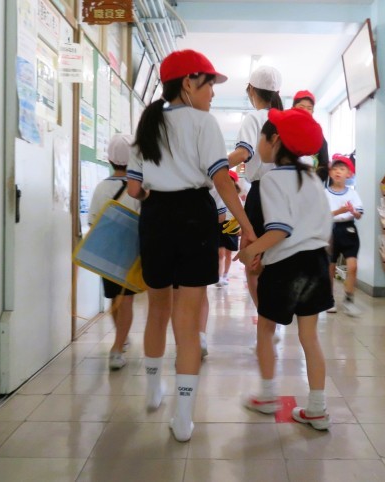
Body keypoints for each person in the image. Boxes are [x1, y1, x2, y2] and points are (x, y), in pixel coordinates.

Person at [126, 49, 255, 442]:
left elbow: (134, 188)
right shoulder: (203, 123)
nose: (213, 93)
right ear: (188, 82)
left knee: (157, 310)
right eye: (209, 84)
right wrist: (247, 226)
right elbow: (221, 180)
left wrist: (154, 197)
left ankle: (153, 390)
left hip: (156, 218)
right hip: (195, 217)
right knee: (187, 321)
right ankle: (183, 418)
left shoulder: (147, 125)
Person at [236, 108, 334, 431]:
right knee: (310, 336)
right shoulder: (314, 178)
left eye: (261, 139)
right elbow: (318, 228)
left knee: (266, 329)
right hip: (316, 264)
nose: (258, 145)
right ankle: (317, 409)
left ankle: (267, 396)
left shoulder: (271, 179)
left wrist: (252, 251)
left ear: (274, 140)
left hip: (286, 268)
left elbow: (280, 229)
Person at [228, 65, 283, 312]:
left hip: (262, 193)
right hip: (286, 192)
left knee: (252, 258)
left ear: (251, 89)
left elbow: (243, 153)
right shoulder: (286, 118)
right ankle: (275, 312)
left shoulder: (254, 118)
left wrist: (211, 167)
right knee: (277, 255)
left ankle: (266, 315)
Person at [88, 134, 140, 370]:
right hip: (130, 253)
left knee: (113, 300)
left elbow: (92, 222)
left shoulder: (101, 188)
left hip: (106, 254)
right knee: (126, 300)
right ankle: (118, 348)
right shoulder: (138, 189)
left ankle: (121, 339)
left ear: (109, 159)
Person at [325, 153, 363, 316]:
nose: (338, 171)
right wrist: (339, 211)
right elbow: (322, 215)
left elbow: (359, 215)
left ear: (349, 174)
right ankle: (329, 300)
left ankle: (349, 300)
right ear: (330, 173)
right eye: (335, 169)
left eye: (342, 169)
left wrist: (353, 212)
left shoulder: (352, 194)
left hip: (349, 230)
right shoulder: (325, 193)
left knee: (353, 266)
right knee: (330, 268)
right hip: (330, 231)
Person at [292, 90, 330, 183]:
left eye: (309, 108)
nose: (305, 111)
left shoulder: (318, 134)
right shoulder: (286, 130)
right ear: (293, 108)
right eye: (301, 107)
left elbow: (324, 165)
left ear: (312, 111)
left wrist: (313, 181)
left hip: (312, 184)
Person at [216, 170, 242, 288]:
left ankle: (225, 274)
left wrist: (241, 228)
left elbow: (240, 214)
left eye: (230, 179)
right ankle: (219, 276)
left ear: (234, 182)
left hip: (232, 226)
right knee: (220, 253)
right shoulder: (218, 194)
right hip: (220, 225)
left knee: (228, 253)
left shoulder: (236, 197)